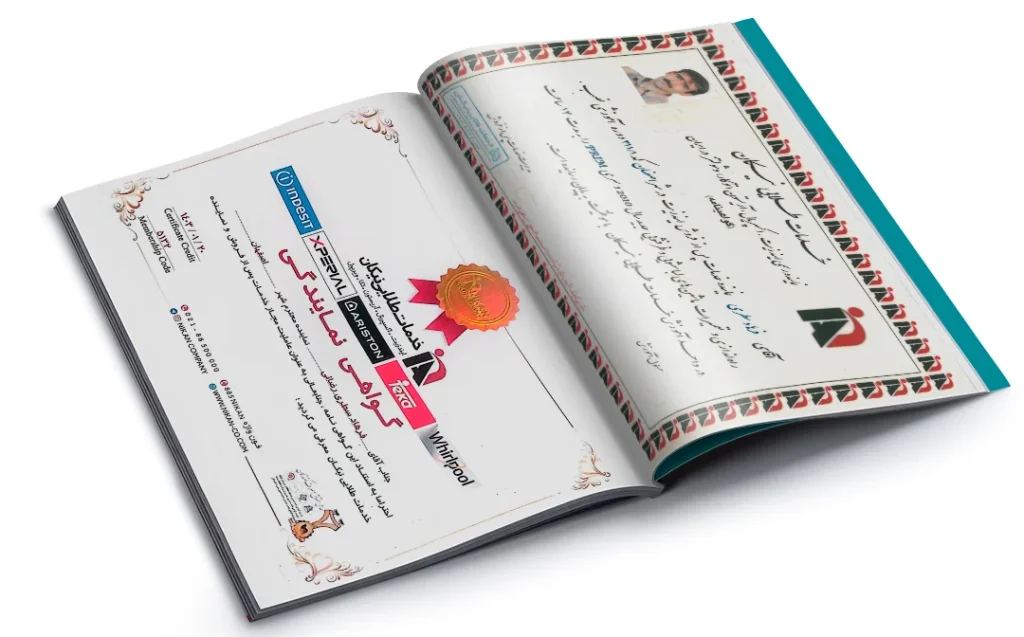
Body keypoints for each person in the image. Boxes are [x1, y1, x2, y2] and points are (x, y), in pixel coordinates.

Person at [623, 66, 710, 104]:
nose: (673, 82)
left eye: (685, 86)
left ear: (685, 94)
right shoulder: (627, 70)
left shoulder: (655, 107)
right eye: (678, 77)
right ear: (670, 72)